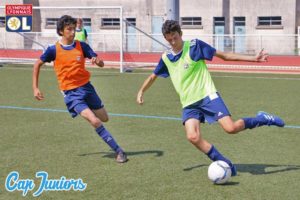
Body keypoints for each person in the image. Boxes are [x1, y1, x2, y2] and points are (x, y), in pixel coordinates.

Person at [136, 20, 285, 176]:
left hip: (207, 96)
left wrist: (253, 58)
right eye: (169, 39)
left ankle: (262, 118)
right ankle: (225, 163)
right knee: (192, 136)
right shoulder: (166, 57)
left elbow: (225, 55)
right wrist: (141, 91)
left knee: (231, 128)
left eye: (175, 37)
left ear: (180, 34)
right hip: (189, 104)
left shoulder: (194, 46)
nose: (173, 42)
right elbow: (153, 76)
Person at [32, 15, 128, 163]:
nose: (72, 32)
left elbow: (100, 63)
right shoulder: (53, 50)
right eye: (69, 29)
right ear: (61, 32)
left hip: (87, 88)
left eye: (73, 29)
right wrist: (35, 88)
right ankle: (119, 151)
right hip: (71, 94)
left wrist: (98, 61)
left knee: (104, 118)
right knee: (95, 121)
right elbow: (37, 64)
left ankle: (89, 108)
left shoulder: (82, 46)